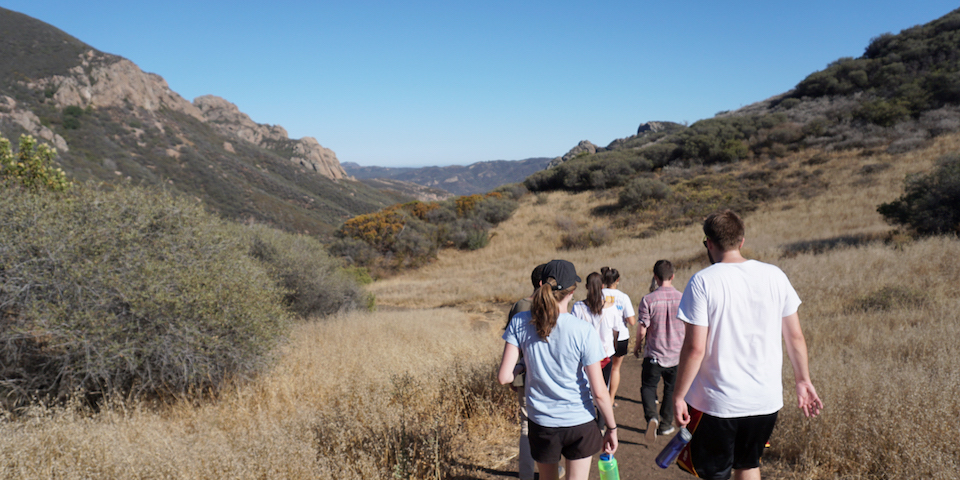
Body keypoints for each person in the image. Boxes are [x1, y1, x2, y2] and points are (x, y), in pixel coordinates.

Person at [672, 210, 824, 480]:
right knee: (749, 465)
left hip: (716, 403)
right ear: (741, 240)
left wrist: (678, 395)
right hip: (764, 401)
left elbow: (695, 349)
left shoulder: (703, 281)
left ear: (709, 242)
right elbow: (795, 337)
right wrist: (803, 380)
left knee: (714, 473)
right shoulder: (775, 275)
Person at [500, 259, 618, 480]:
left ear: (541, 284)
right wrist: (611, 428)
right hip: (579, 421)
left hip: (542, 423)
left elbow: (504, 377)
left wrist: (521, 366)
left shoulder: (519, 321)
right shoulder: (583, 330)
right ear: (572, 292)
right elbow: (600, 392)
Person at [633, 259, 684, 443]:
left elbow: (642, 327)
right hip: (677, 355)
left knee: (648, 387)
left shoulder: (648, 299)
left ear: (655, 276)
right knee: (671, 389)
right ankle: (665, 424)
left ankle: (652, 417)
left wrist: (637, 345)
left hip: (654, 354)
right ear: (673, 276)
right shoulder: (683, 298)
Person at [504, 263, 547, 480]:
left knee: (526, 425)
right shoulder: (554, 307)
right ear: (542, 283)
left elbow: (510, 344)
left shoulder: (519, 306)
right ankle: (553, 470)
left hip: (522, 373)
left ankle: (526, 475)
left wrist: (513, 372)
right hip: (548, 373)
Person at [570, 272, 618, 382]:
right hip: (606, 354)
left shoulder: (578, 307)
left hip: (584, 356)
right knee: (603, 388)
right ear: (602, 286)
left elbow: (573, 333)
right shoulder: (612, 308)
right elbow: (616, 332)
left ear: (587, 286)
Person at [600, 266, 636, 406]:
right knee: (615, 368)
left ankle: (599, 397)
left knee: (600, 369)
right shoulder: (623, 297)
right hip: (620, 337)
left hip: (602, 337)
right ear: (618, 280)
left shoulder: (599, 294)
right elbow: (632, 321)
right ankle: (611, 399)